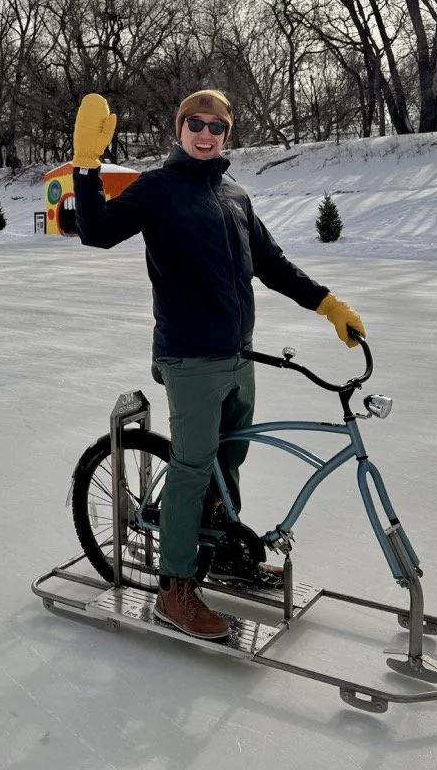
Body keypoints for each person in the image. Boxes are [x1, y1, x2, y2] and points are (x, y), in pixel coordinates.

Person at [72, 89, 366, 641]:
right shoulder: (157, 189)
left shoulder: (234, 195)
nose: (206, 134)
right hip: (190, 356)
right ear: (179, 128)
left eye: (217, 127)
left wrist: (327, 305)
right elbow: (97, 232)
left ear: (227, 134)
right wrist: (86, 167)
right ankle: (174, 591)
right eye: (195, 124)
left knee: (230, 459)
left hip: (237, 352)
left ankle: (225, 551)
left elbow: (271, 263)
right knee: (191, 467)